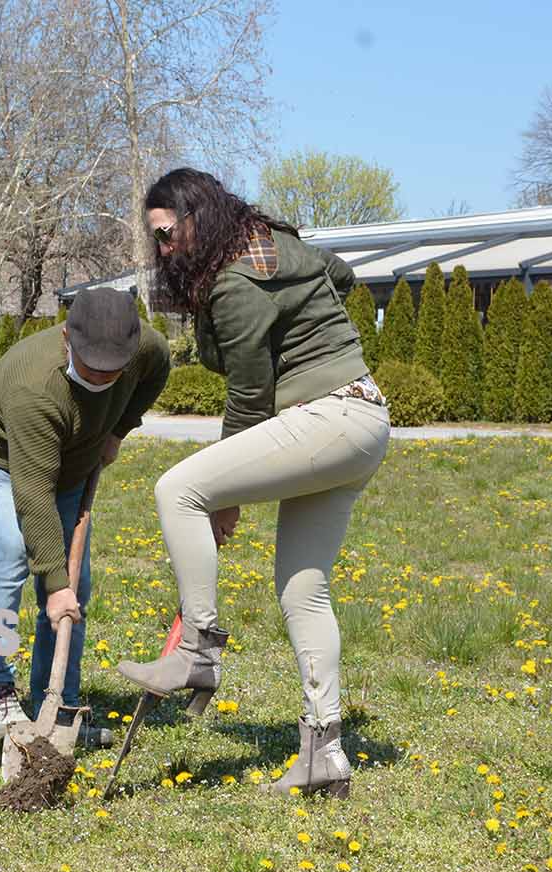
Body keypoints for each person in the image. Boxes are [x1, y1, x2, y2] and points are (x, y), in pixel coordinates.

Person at [117, 168, 390, 799]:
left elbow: (249, 396)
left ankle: (199, 651)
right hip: (362, 418)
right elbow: (341, 273)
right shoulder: (276, 243)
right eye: (155, 239)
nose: (163, 250)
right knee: (303, 593)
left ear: (195, 218)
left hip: (328, 416)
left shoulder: (235, 283)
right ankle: (325, 755)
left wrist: (226, 499)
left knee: (178, 490)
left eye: (166, 234)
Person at [0, 288, 169, 741]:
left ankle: (60, 706)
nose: (101, 379)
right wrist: (53, 584)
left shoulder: (145, 346)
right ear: (67, 337)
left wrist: (119, 429)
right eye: (91, 367)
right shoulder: (37, 385)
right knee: (13, 548)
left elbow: (155, 373)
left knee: (76, 588)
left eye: (113, 371)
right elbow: (33, 493)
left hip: (70, 467)